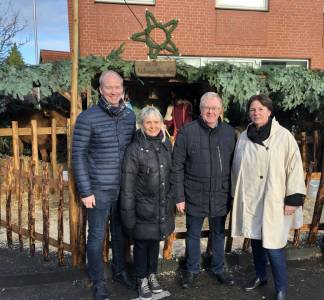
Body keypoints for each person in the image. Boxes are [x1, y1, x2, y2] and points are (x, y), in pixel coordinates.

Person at [231, 94, 306, 300]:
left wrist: (293, 198)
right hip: (252, 198)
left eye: (260, 109)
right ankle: (260, 276)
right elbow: (237, 167)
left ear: (269, 112)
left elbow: (295, 167)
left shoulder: (283, 136)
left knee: (274, 246)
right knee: (255, 241)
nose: (256, 113)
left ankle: (281, 288)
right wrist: (235, 194)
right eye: (253, 110)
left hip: (275, 199)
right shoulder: (245, 136)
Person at [72, 70, 136, 300]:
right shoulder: (87, 118)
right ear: (100, 89)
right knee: (97, 236)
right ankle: (98, 281)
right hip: (98, 190)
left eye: (117, 87)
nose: (113, 91)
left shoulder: (129, 117)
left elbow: (133, 150)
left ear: (122, 89)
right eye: (108, 87)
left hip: (123, 189)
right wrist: (85, 190)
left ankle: (119, 272)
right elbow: (78, 155)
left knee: (120, 235)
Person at [171, 92, 237, 288]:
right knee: (193, 234)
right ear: (200, 109)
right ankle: (191, 270)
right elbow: (177, 166)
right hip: (194, 193)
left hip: (221, 193)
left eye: (215, 108)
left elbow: (235, 165)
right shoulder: (187, 132)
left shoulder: (228, 133)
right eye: (207, 107)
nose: (210, 111)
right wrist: (179, 196)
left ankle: (218, 268)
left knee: (218, 234)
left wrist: (233, 193)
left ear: (220, 110)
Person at [120, 106, 174, 300]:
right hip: (142, 209)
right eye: (148, 122)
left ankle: (152, 275)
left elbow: (171, 175)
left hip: (161, 207)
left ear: (161, 124)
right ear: (141, 124)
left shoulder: (166, 144)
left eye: (156, 122)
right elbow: (127, 185)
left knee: (155, 243)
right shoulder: (135, 149)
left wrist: (171, 200)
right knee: (142, 245)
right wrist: (128, 215)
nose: (153, 126)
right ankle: (141, 279)